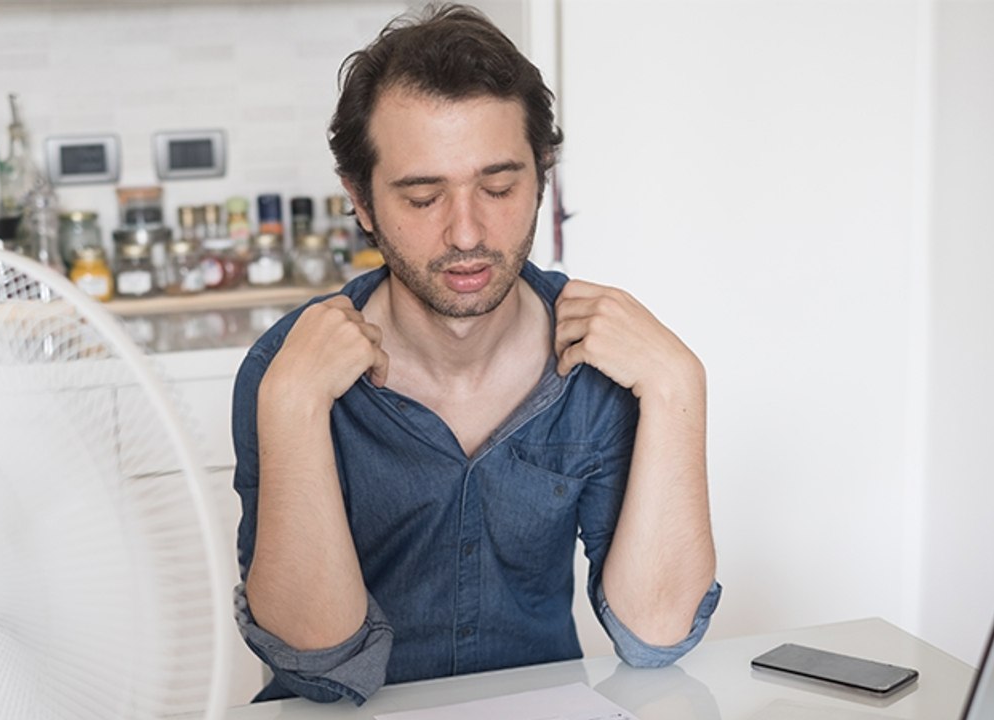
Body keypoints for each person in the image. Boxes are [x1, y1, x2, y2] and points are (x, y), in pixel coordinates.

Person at [231, 2, 721, 705]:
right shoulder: (286, 370)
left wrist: (679, 384)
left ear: (541, 177)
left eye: (498, 187)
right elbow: (324, 661)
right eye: (422, 197)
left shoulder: (602, 362)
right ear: (361, 201)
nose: (467, 233)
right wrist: (291, 406)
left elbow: (657, 634)